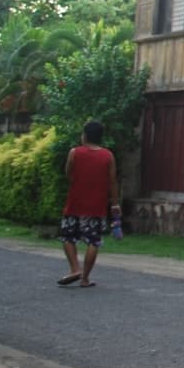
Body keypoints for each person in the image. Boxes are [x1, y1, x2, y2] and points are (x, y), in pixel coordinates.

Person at [58, 120, 119, 288]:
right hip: (96, 205)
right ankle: (85, 278)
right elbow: (113, 181)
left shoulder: (74, 152)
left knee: (68, 237)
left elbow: (68, 173)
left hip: (75, 203)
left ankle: (74, 269)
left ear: (84, 135)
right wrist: (115, 204)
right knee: (93, 241)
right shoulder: (108, 156)